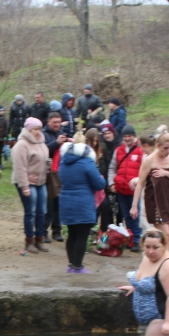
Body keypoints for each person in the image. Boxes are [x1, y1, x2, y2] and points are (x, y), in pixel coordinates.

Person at [118, 228, 169, 336]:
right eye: (147, 247)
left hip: (163, 319)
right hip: (147, 322)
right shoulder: (147, 256)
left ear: (164, 246)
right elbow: (144, 277)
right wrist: (136, 287)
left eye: (155, 247)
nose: (150, 251)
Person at [58, 141, 105, 273]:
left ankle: (71, 265)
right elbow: (100, 184)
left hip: (66, 202)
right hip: (83, 203)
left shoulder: (63, 163)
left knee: (72, 234)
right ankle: (78, 266)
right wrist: (102, 178)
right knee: (82, 236)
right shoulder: (87, 163)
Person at [131, 132, 169, 241]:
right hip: (154, 201)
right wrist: (134, 206)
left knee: (161, 237)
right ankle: (164, 253)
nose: (168, 151)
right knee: (166, 234)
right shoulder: (149, 160)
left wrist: (166, 173)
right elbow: (140, 183)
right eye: (165, 148)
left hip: (168, 200)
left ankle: (156, 251)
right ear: (158, 146)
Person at [12, 117, 49, 254]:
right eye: (35, 129)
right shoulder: (22, 145)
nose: (38, 132)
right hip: (28, 182)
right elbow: (20, 167)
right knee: (31, 212)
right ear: (28, 130)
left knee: (42, 211)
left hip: (41, 181)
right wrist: (24, 186)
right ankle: (29, 240)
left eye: (39, 129)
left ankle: (40, 239)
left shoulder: (41, 142)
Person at [108, 125, 143, 250]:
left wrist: (139, 182)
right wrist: (112, 183)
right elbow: (112, 168)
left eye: (129, 136)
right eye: (125, 136)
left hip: (134, 191)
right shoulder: (118, 150)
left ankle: (137, 239)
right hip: (121, 189)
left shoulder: (140, 151)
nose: (127, 138)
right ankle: (130, 238)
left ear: (134, 136)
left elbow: (144, 170)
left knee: (135, 215)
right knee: (126, 215)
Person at [42, 112, 66, 243]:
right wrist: (56, 143)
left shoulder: (61, 132)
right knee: (48, 204)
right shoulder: (43, 134)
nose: (57, 125)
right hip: (47, 173)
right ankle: (43, 231)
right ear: (48, 122)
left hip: (60, 172)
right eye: (54, 122)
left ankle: (57, 231)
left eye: (59, 122)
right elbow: (43, 150)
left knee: (59, 203)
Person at [97, 123, 120, 231]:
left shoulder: (119, 145)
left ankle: (120, 231)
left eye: (109, 133)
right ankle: (108, 232)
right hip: (106, 182)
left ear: (113, 133)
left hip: (118, 181)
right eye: (105, 133)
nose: (107, 136)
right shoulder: (101, 146)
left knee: (119, 209)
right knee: (107, 209)